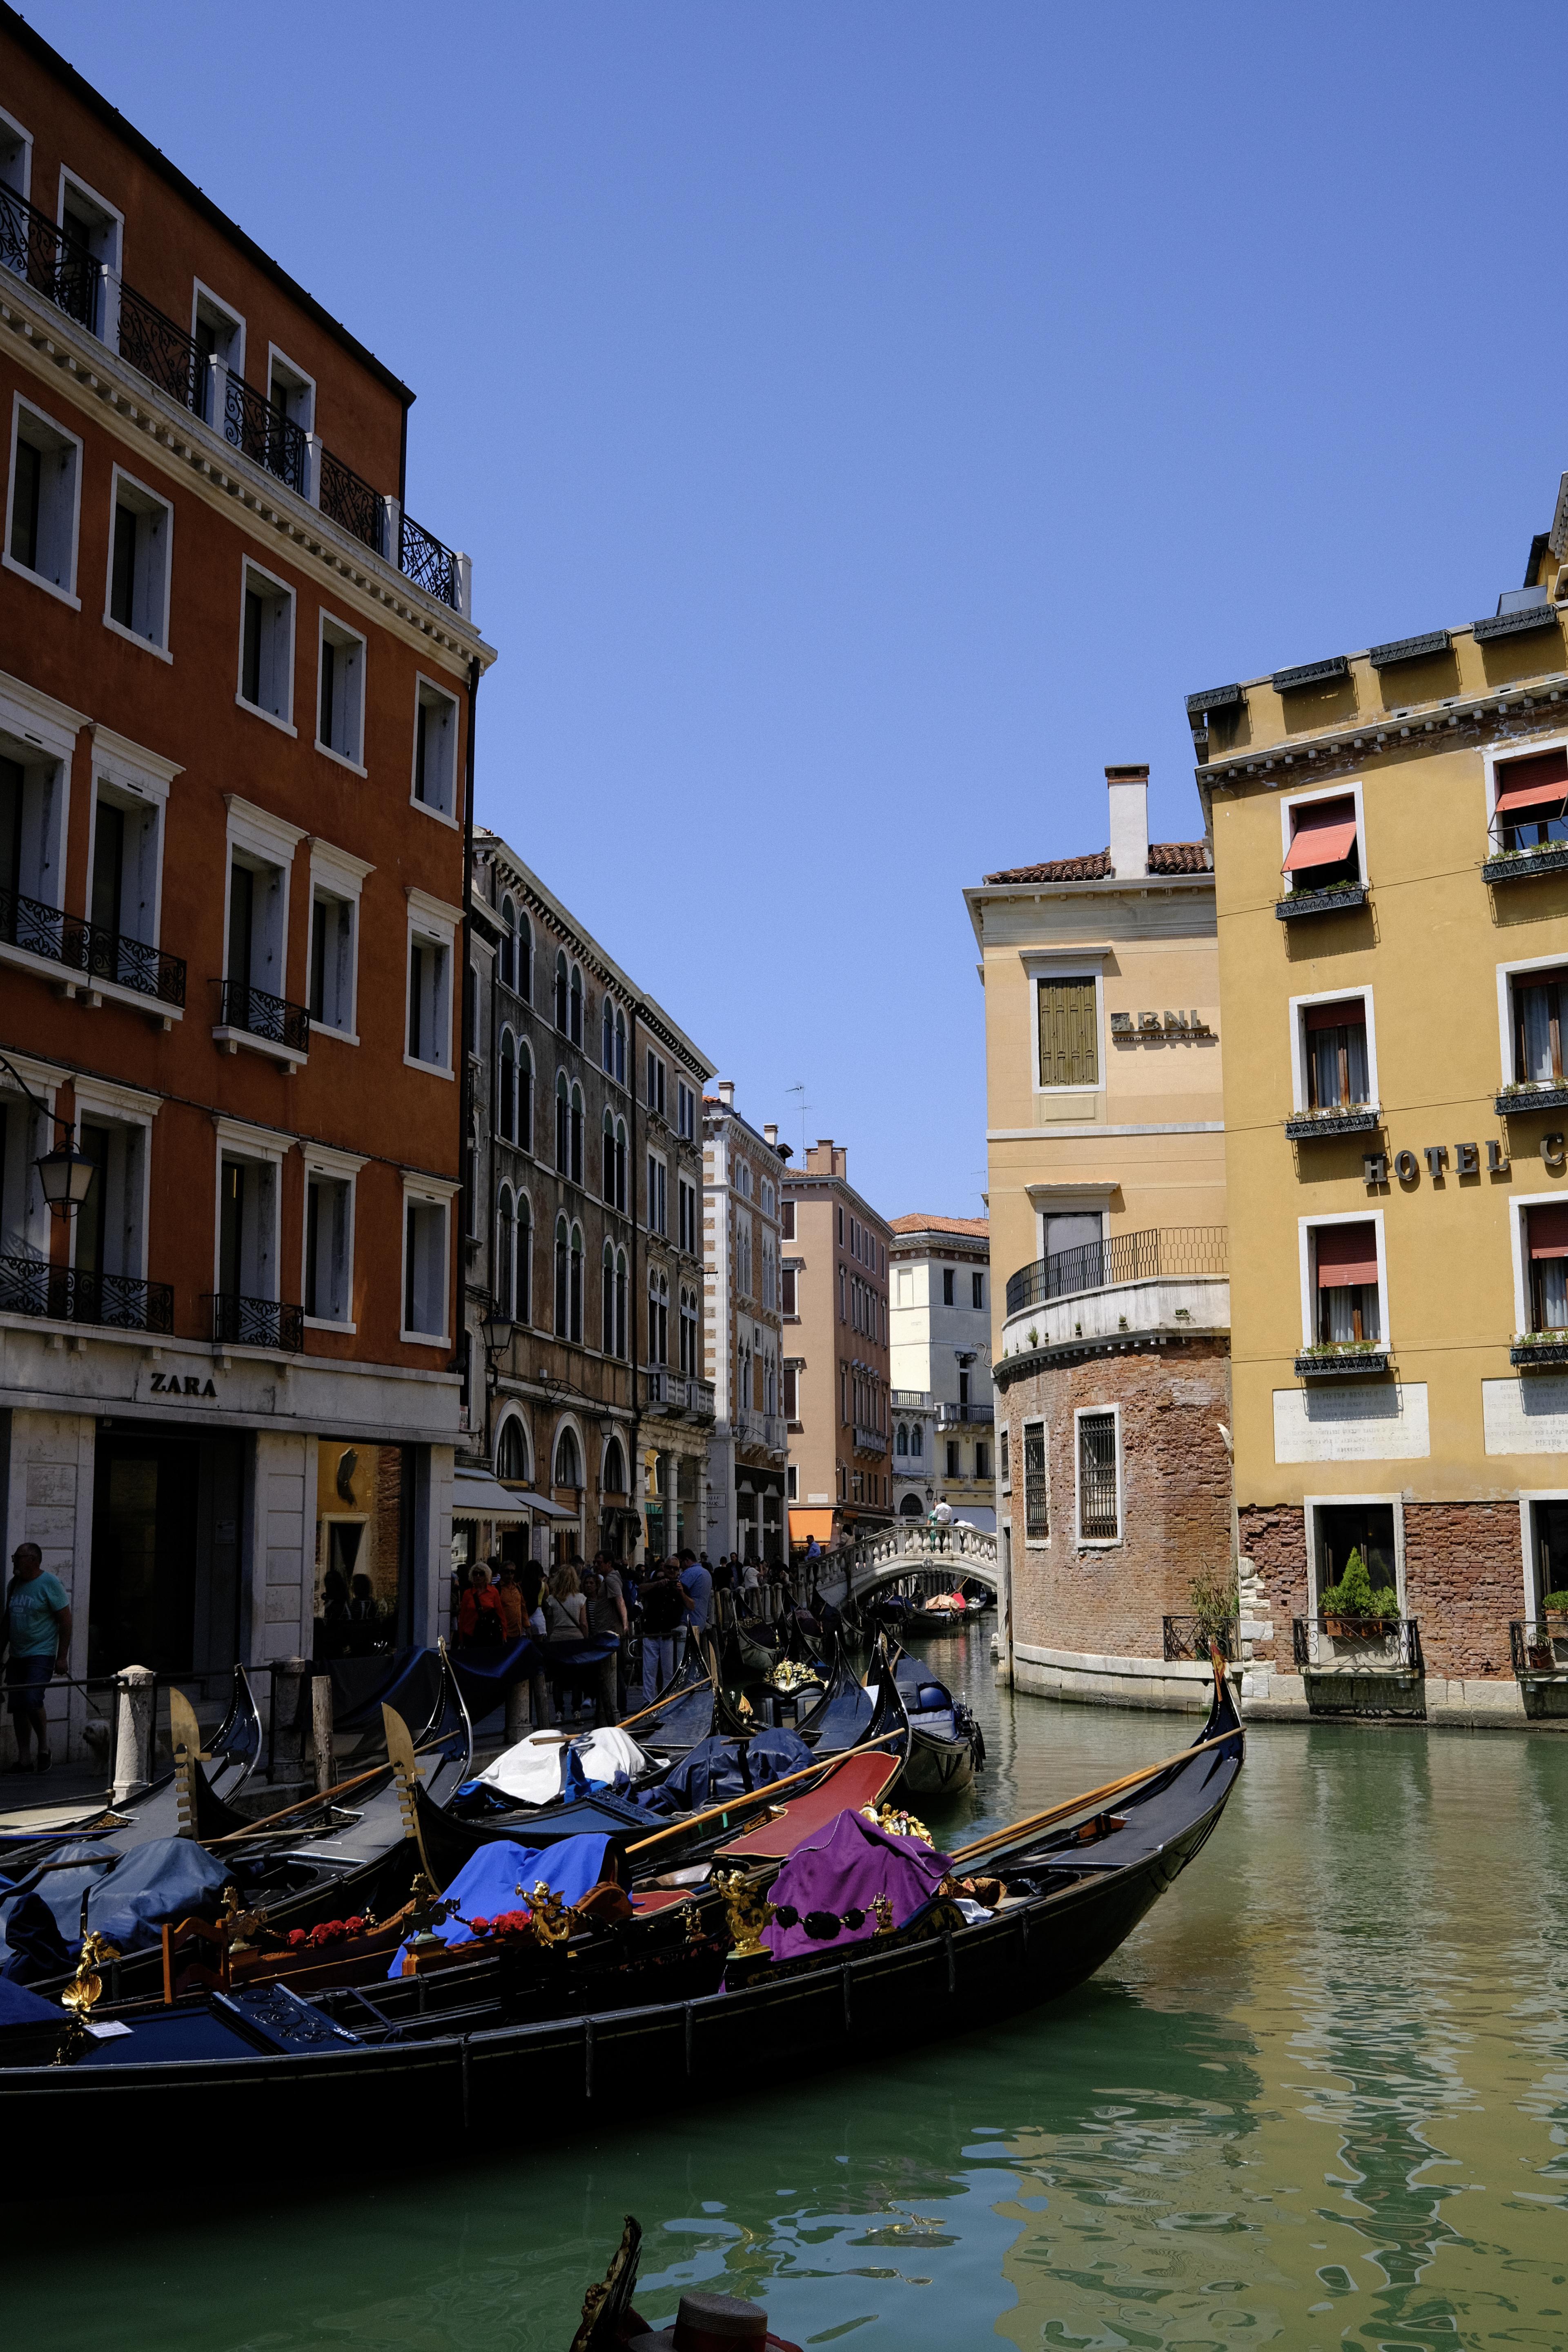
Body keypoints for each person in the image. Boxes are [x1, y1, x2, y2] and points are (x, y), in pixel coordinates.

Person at [2, 1543, 71, 1775]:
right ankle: (24, 1759)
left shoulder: (49, 1583)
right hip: (17, 1654)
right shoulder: (14, 1585)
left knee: (32, 1699)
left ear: (33, 1559)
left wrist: (62, 1657)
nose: (14, 1561)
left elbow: (66, 1621)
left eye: (18, 1558)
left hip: (41, 1653)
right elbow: (7, 1622)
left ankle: (44, 1748)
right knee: (18, 1706)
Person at [638, 1559, 685, 1705]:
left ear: (678, 1571)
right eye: (669, 1568)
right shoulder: (655, 1582)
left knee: (669, 1671)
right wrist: (657, 1584)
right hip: (652, 1632)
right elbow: (640, 1589)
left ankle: (667, 1701)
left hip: (667, 1634)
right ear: (664, 1568)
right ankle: (649, 1703)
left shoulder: (680, 1586)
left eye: (675, 1569)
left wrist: (682, 1592)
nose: (672, 1571)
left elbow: (691, 1605)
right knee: (649, 1670)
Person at [457, 1562, 505, 1649]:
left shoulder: (494, 1592)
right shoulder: (468, 1594)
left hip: (489, 1634)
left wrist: (504, 1635)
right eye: (475, 1574)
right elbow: (463, 1617)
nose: (478, 1576)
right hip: (471, 1635)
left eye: (481, 1574)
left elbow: (500, 1614)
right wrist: (461, 1638)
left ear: (486, 1575)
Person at [678, 1548, 713, 1636]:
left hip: (688, 1620)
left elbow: (678, 1589)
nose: (680, 1567)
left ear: (686, 1561)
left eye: (681, 1563)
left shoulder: (690, 1572)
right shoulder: (706, 1573)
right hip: (701, 1619)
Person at [494, 1561, 525, 1644]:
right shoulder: (497, 1589)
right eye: (507, 1572)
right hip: (504, 1633)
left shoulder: (517, 1588)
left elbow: (523, 1607)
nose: (510, 1575)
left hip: (518, 1631)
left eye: (513, 1572)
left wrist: (527, 1626)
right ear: (501, 1573)